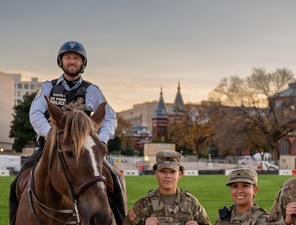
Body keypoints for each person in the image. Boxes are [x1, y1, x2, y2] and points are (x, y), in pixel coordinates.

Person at [9, 41, 124, 225]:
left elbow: (110, 117)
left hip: (84, 151)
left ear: (82, 63)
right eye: (68, 57)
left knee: (115, 180)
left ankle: (121, 220)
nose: (72, 61)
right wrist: (51, 135)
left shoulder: (92, 90)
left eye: (76, 58)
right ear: (60, 61)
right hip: (47, 147)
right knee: (16, 184)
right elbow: (35, 113)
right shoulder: (48, 87)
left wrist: (97, 141)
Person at [123, 150, 212, 225]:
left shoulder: (192, 204)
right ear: (156, 173)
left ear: (180, 174)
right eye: (163, 171)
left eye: (172, 172)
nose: (167, 176)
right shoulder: (143, 204)